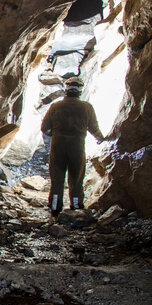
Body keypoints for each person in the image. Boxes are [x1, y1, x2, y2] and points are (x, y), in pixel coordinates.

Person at [41, 77, 105, 216]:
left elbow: (44, 127)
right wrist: (101, 139)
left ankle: (55, 207)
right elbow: (94, 128)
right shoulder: (86, 107)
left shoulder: (55, 106)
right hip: (77, 146)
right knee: (76, 177)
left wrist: (55, 134)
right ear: (80, 90)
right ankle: (76, 206)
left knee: (57, 176)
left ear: (66, 89)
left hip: (58, 145)